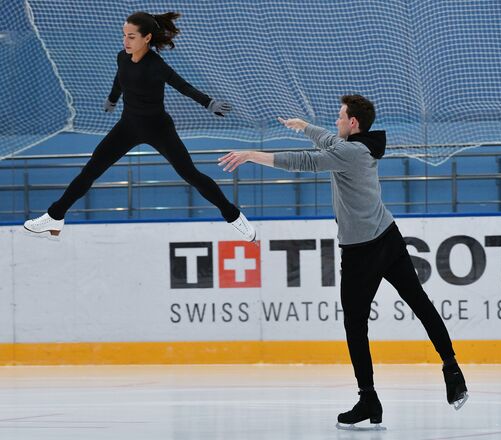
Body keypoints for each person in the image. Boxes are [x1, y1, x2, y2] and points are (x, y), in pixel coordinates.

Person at [218, 95, 468, 428]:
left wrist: (252, 155)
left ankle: (369, 398)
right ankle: (452, 370)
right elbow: (327, 139)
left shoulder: (349, 153)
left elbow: (303, 161)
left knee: (356, 325)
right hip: (388, 239)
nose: (336, 121)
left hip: (361, 252)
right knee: (418, 303)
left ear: (353, 122)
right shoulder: (358, 146)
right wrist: (305, 126)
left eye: (340, 116)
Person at [24, 11, 255, 242]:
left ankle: (234, 217)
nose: (125, 41)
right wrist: (112, 99)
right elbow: (120, 79)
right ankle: (55, 217)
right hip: (128, 126)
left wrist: (209, 103)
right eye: (124, 35)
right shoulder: (122, 57)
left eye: (131, 36)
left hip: (159, 129)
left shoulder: (156, 65)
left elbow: (183, 86)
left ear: (147, 38)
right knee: (90, 170)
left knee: (191, 174)